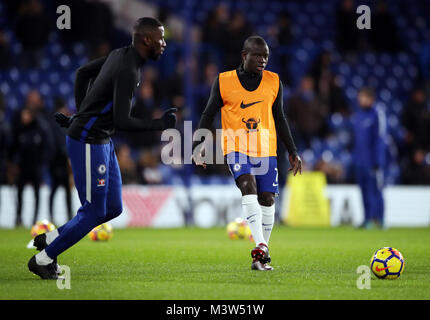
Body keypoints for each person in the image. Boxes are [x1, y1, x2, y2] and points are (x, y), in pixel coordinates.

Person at [27, 17, 177, 279]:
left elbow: (82, 73)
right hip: (88, 140)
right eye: (161, 38)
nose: (164, 44)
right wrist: (159, 124)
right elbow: (122, 120)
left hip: (101, 140)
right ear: (146, 40)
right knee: (94, 210)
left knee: (113, 207)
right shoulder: (129, 70)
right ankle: (43, 258)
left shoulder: (120, 55)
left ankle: (50, 238)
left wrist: (82, 112)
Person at [192, 36, 302, 271]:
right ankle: (260, 244)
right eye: (258, 55)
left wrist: (292, 150)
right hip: (236, 147)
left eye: (266, 57)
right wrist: (198, 144)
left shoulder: (274, 81)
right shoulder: (224, 81)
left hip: (266, 148)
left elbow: (280, 118)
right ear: (244, 56)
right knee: (247, 185)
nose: (263, 60)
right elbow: (208, 113)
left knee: (267, 199)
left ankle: (260, 255)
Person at [351, 87, 386, 229]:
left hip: (373, 161)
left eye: (364, 97)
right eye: (360, 97)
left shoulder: (377, 114)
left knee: (375, 190)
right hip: (360, 161)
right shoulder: (358, 116)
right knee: (364, 191)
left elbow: (380, 139)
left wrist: (379, 160)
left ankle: (379, 219)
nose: (361, 100)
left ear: (371, 99)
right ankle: (367, 219)